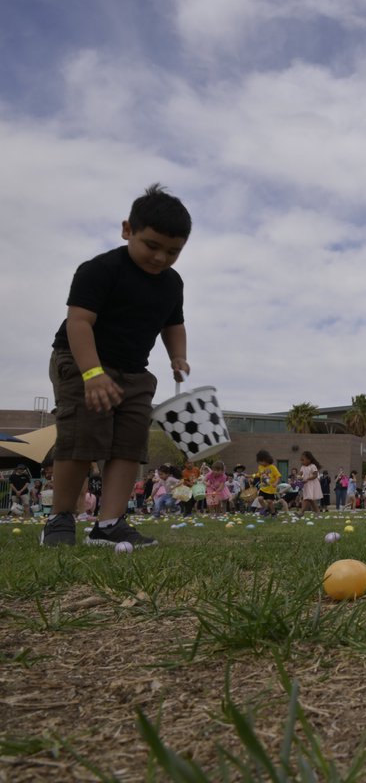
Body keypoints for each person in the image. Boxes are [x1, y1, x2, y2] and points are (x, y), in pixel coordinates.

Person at [39, 185, 191, 547]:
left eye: (173, 251)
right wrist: (92, 374)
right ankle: (60, 519)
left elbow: (174, 323)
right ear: (127, 230)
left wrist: (178, 356)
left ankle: (109, 524)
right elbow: (79, 323)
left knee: (128, 445)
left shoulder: (172, 283)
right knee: (82, 437)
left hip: (135, 372)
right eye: (151, 245)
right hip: (81, 362)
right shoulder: (100, 269)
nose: (160, 258)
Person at [255, 449, 281, 517]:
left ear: (266, 459)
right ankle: (266, 509)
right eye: (259, 461)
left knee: (270, 501)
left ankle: (273, 513)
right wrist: (251, 476)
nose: (260, 463)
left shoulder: (272, 467)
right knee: (260, 498)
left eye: (261, 461)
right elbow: (258, 474)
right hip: (263, 488)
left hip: (270, 489)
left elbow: (278, 476)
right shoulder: (260, 467)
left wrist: (275, 483)